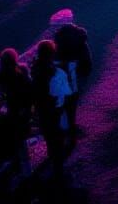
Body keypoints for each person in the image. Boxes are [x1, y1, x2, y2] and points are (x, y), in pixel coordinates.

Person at [32, 39, 71, 177]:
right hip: (52, 107)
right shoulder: (51, 71)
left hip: (42, 108)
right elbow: (60, 91)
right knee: (56, 135)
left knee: (49, 136)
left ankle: (54, 161)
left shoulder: (35, 67)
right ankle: (58, 167)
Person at [53, 10, 91, 145]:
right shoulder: (80, 36)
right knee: (72, 101)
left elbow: (57, 56)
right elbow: (86, 55)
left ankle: (67, 130)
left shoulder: (59, 38)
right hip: (75, 71)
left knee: (64, 101)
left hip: (65, 73)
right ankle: (71, 128)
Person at [0, 47, 33, 177]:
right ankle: (26, 165)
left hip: (13, 108)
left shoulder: (1, 74)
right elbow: (30, 85)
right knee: (22, 134)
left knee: (17, 136)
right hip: (25, 107)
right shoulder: (22, 69)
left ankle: (21, 165)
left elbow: (2, 92)